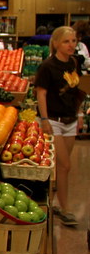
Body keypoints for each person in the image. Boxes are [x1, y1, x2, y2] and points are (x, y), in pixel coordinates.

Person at [34, 26, 85, 227]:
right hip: (53, 120)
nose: (71, 45)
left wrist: (79, 113)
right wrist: (44, 120)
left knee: (62, 168)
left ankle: (54, 203)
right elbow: (41, 94)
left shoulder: (73, 63)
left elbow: (76, 91)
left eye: (73, 41)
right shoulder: (48, 66)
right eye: (66, 41)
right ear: (56, 43)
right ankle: (66, 209)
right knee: (65, 165)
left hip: (70, 119)